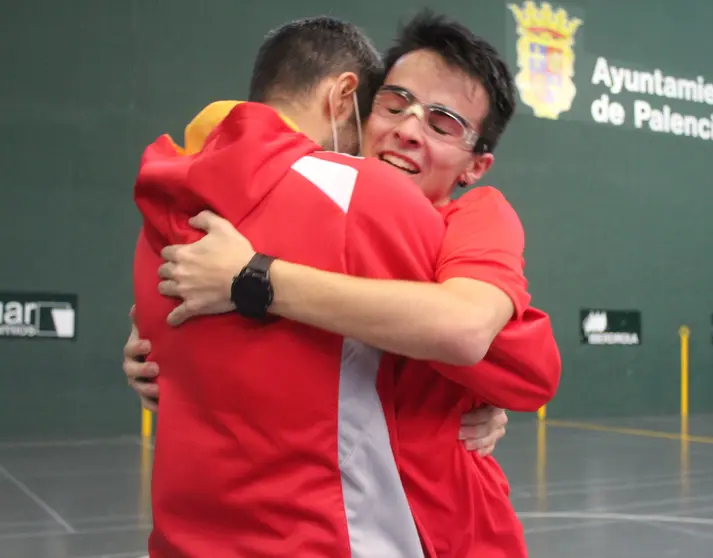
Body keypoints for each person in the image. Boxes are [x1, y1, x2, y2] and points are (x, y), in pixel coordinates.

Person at [127, 11, 561, 557]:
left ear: (475, 166)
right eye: (395, 103)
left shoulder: (473, 220)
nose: (407, 129)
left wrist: (252, 278)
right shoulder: (319, 198)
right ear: (358, 101)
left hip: (451, 530)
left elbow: (509, 353)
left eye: (442, 122)